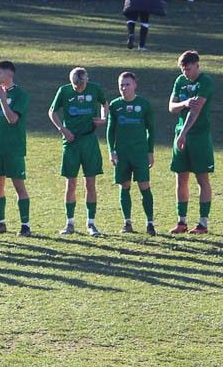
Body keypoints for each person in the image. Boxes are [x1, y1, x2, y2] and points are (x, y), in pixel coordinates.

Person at [48, 67, 108, 236]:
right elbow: (52, 111)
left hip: (89, 140)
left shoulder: (95, 89)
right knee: (71, 183)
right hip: (71, 142)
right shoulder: (64, 91)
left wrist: (103, 118)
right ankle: (69, 223)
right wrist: (62, 129)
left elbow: (104, 103)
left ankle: (91, 223)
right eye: (76, 86)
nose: (79, 88)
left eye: (81, 85)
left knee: (90, 183)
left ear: (86, 80)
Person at [0, 60, 32, 236]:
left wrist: (3, 99)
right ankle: (0, 223)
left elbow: (12, 119)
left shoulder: (20, 95)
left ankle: (25, 225)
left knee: (19, 186)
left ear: (9, 74)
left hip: (13, 148)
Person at [168, 50, 214, 234]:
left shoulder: (205, 82)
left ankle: (203, 222)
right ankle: (181, 221)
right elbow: (171, 107)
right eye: (182, 69)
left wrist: (184, 133)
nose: (185, 73)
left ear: (197, 65)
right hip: (181, 135)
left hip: (199, 136)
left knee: (202, 178)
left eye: (188, 69)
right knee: (181, 177)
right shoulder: (180, 81)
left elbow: (196, 111)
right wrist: (185, 103)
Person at [107, 71, 156, 235]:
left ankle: (150, 223)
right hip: (122, 153)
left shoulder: (144, 104)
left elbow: (152, 130)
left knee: (144, 186)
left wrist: (150, 151)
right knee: (124, 185)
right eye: (121, 84)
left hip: (140, 153)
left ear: (135, 85)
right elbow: (110, 130)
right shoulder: (115, 105)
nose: (124, 88)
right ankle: (127, 223)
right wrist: (111, 151)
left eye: (127, 84)